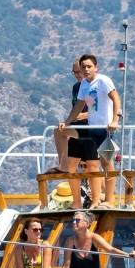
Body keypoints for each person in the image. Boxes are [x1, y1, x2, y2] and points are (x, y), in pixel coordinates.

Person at [66, 53, 121, 205]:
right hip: (92, 129)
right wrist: (68, 121)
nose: (86, 69)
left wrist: (115, 120)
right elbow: (79, 105)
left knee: (107, 163)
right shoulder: (84, 84)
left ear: (96, 67)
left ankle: (110, 199)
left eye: (89, 66)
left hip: (105, 130)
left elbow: (116, 99)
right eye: (83, 67)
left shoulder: (103, 81)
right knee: (93, 165)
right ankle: (96, 199)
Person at [51, 57, 84, 186]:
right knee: (58, 131)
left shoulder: (95, 86)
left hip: (93, 126)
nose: (76, 75)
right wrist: (66, 122)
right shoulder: (76, 87)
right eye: (74, 72)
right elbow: (75, 109)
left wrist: (83, 115)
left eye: (78, 72)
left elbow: (100, 111)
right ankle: (63, 166)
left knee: (91, 166)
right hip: (79, 126)